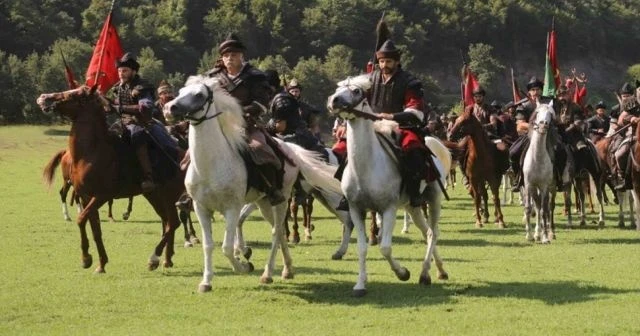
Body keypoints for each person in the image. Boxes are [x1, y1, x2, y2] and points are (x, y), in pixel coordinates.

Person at [337, 38, 432, 210]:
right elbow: (355, 103)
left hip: (400, 126)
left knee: (414, 148)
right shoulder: (369, 80)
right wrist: (345, 122)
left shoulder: (410, 82)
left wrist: (391, 116)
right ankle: (346, 193)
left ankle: (413, 192)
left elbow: (416, 111)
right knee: (342, 149)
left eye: (388, 61)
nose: (384, 65)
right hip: (369, 126)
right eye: (381, 61)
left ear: (397, 61)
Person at [205, 33, 285, 205]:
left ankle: (271, 188)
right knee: (193, 151)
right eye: (226, 56)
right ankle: (189, 192)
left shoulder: (255, 76)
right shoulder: (213, 77)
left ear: (242, 56)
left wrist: (237, 112)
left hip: (247, 124)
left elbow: (261, 103)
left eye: (233, 55)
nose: (229, 58)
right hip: (217, 125)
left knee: (260, 147)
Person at [111, 52, 158, 192]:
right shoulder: (118, 87)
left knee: (136, 135)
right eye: (119, 71)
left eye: (124, 71)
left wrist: (119, 108)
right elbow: (114, 105)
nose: (121, 74)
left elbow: (145, 107)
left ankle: (148, 177)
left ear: (134, 71)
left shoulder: (142, 87)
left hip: (140, 123)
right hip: (122, 122)